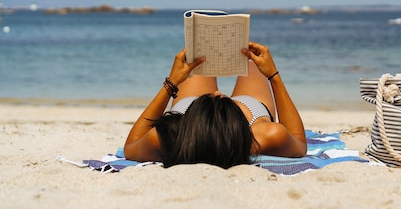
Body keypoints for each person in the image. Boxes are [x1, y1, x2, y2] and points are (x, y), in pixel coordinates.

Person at [123, 41, 307, 168]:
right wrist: (273, 76)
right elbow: (299, 140)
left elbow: (131, 146)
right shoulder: (263, 136)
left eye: (211, 98)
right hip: (250, 112)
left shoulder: (170, 137)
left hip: (188, 111)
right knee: (252, 65)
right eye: (220, 98)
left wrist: (172, 82)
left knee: (198, 61)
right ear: (236, 127)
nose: (218, 93)